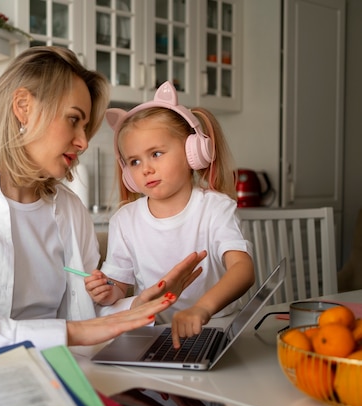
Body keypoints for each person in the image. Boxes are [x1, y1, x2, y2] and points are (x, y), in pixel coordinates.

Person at [0, 47, 207, 368]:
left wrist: (138, 306)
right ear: (23, 108)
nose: (83, 141)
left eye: (85, 127)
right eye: (73, 120)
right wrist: (72, 332)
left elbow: (86, 315)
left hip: (62, 375)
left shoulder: (69, 209)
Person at [84, 81, 255, 348]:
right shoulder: (125, 220)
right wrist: (106, 293)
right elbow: (118, 286)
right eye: (134, 161)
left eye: (156, 153)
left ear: (193, 153)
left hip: (214, 327)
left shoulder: (214, 208)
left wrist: (202, 309)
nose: (146, 169)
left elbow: (243, 270)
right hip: (154, 333)